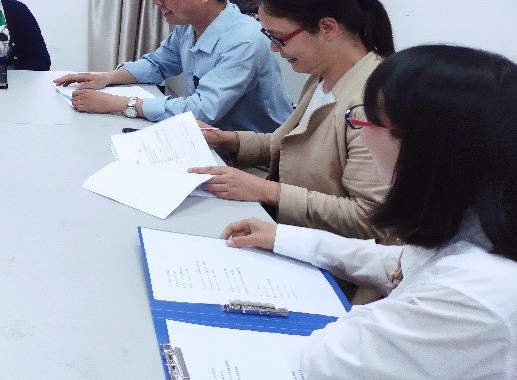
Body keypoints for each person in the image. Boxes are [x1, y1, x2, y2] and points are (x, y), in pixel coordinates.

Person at [221, 45, 517, 379]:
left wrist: (364, 313)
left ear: (425, 145)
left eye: (367, 119)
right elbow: (399, 263)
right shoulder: (476, 221)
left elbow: (328, 360)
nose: (359, 130)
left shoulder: (473, 295)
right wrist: (282, 238)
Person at [188, 0, 394, 242]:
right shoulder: (322, 76)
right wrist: (227, 140)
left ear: (327, 28)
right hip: (292, 231)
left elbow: (370, 219)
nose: (274, 48)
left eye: (279, 38)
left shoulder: (371, 103)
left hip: (332, 251)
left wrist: (266, 191)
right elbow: (288, 145)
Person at [55, 0, 291, 131]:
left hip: (257, 157)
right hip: (212, 139)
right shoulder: (188, 25)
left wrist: (119, 104)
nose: (157, 1)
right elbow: (158, 64)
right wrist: (106, 78)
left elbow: (201, 110)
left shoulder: (244, 41)